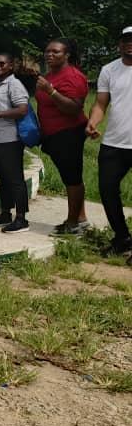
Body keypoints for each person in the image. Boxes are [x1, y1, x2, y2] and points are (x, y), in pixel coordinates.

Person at [34, 38, 89, 234]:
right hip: (53, 134)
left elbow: (74, 108)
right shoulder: (50, 74)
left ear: (67, 55)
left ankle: (72, 224)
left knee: (72, 178)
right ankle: (80, 218)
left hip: (69, 133)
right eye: (47, 51)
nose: (49, 54)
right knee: (69, 177)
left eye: (55, 52)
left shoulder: (73, 76)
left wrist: (51, 91)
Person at [86, 26, 132, 257]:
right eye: (126, 40)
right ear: (119, 44)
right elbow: (101, 103)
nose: (130, 43)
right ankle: (122, 237)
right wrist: (93, 122)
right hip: (115, 142)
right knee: (106, 189)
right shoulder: (109, 70)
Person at [0, 53, 30, 233]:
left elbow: (22, 110)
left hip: (10, 138)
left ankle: (21, 218)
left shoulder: (13, 84)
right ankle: (5, 213)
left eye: (1, 64)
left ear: (10, 65)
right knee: (3, 178)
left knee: (15, 179)